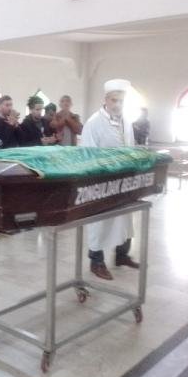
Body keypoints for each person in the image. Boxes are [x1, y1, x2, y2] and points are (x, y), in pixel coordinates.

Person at [81, 79, 139, 280]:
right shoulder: (93, 123)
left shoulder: (126, 121)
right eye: (114, 100)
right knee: (100, 223)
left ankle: (122, 256)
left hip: (123, 180)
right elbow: (87, 155)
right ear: (105, 99)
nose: (117, 105)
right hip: (101, 182)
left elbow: (130, 148)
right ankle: (96, 262)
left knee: (125, 219)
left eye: (121, 101)